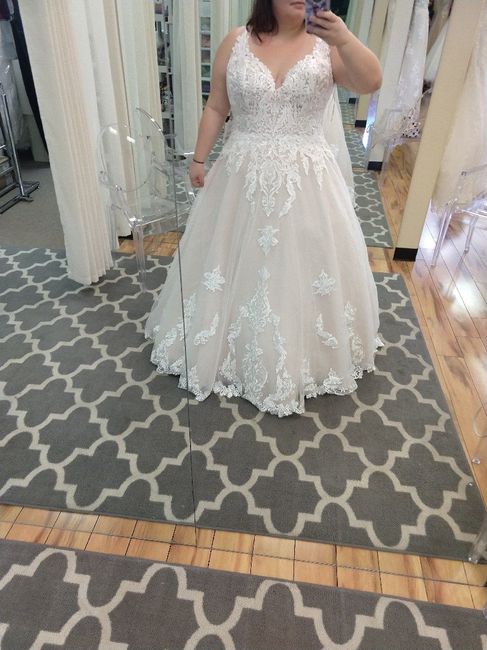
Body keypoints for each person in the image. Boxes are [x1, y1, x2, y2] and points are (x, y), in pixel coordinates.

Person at [146, 0, 383, 418]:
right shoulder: (236, 41)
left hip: (306, 182)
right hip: (241, 177)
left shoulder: (328, 46)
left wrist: (344, 37)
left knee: (300, 265)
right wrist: (199, 158)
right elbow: (217, 106)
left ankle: (300, 354)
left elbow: (370, 81)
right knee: (230, 259)